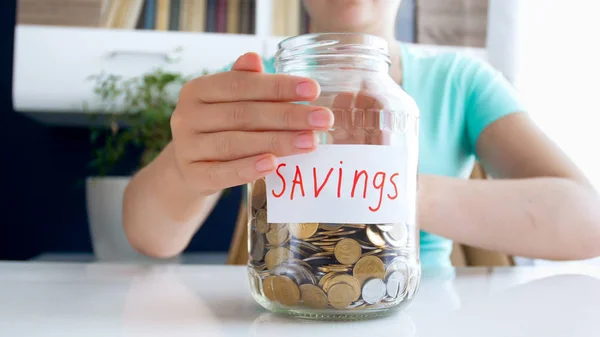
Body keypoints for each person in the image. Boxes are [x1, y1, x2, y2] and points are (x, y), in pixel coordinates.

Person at [121, 0, 600, 269]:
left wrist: (385, 189)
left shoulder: (462, 81)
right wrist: (188, 167)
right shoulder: (254, 83)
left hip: (425, 312)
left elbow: (587, 223)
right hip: (286, 296)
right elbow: (150, 237)